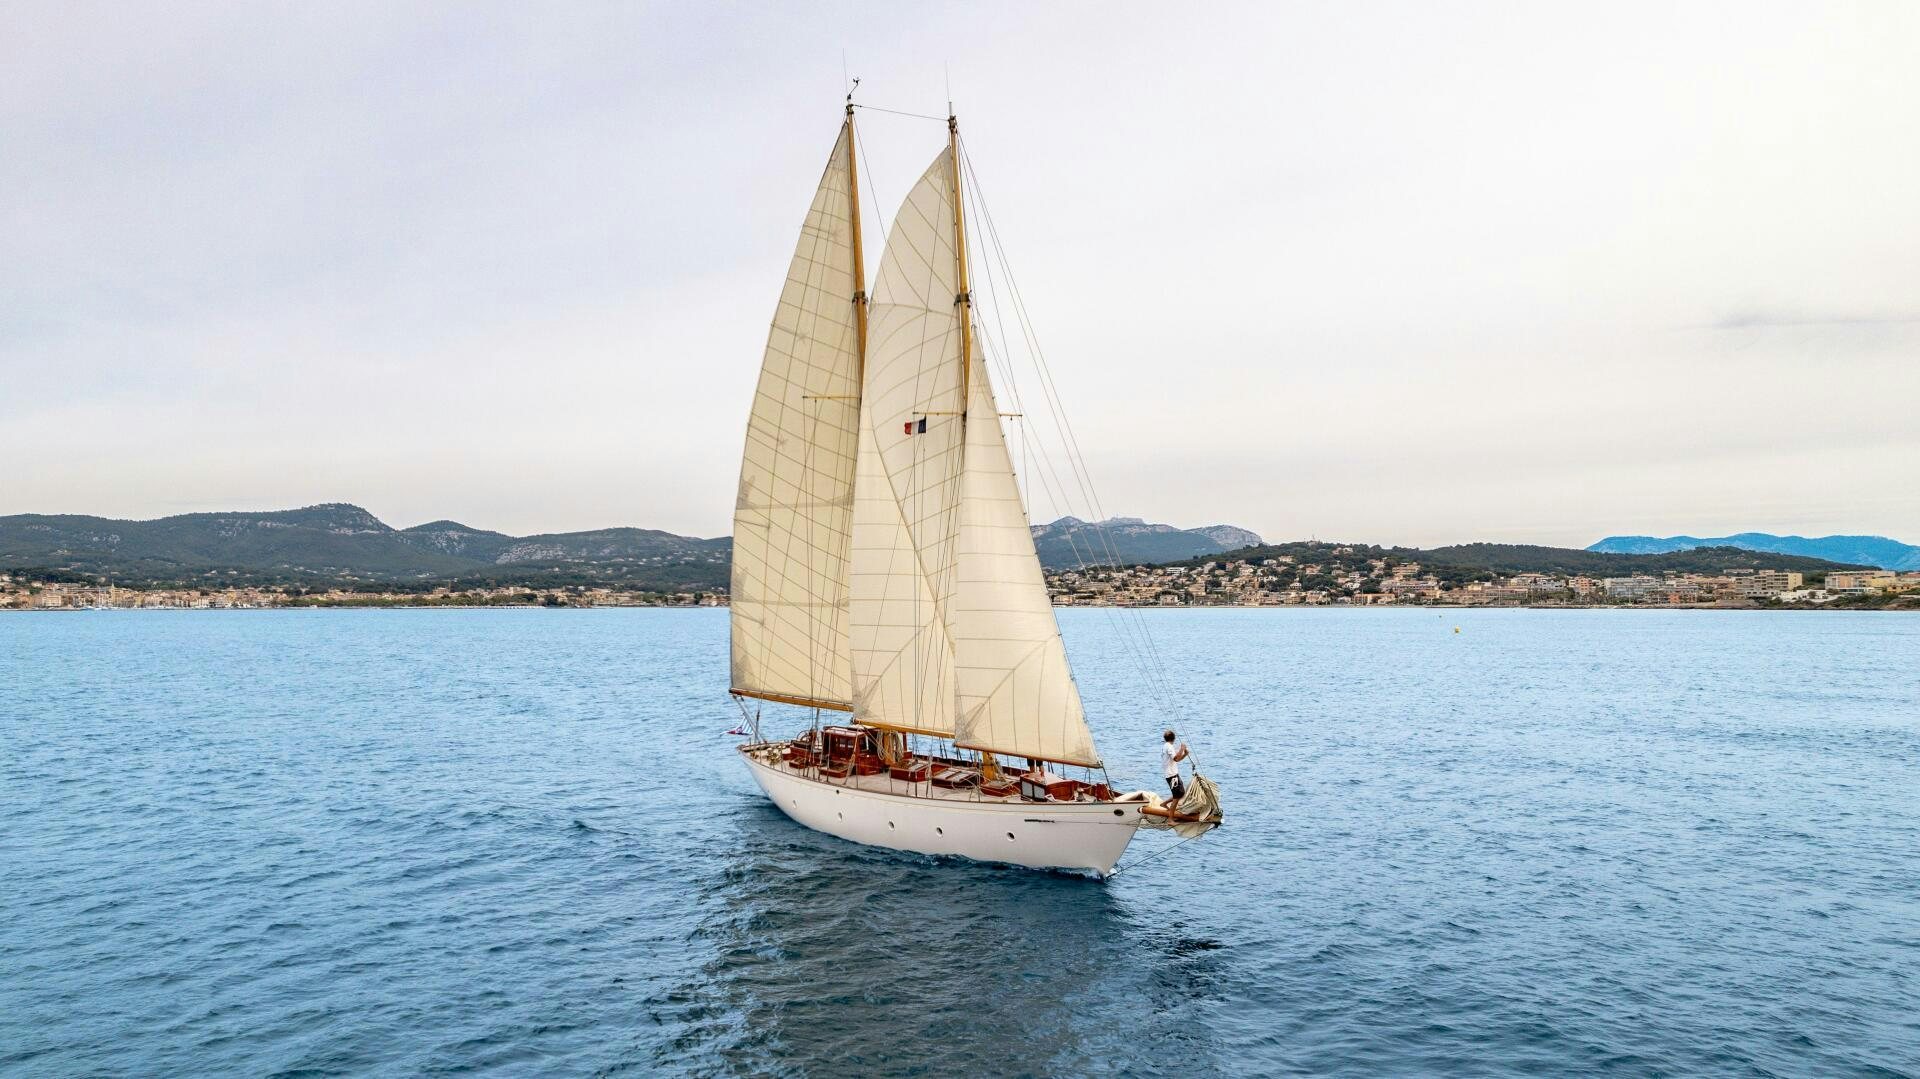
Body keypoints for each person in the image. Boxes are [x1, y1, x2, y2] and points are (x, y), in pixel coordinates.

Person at [1161, 729, 1189, 806]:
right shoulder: (1169, 747)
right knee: (1177, 796)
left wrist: (1185, 754)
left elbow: (1176, 759)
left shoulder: (1166, 746)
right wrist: (1182, 749)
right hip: (1171, 775)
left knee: (1181, 793)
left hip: (1173, 774)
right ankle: (1170, 817)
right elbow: (1176, 758)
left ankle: (1164, 804)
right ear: (1173, 738)